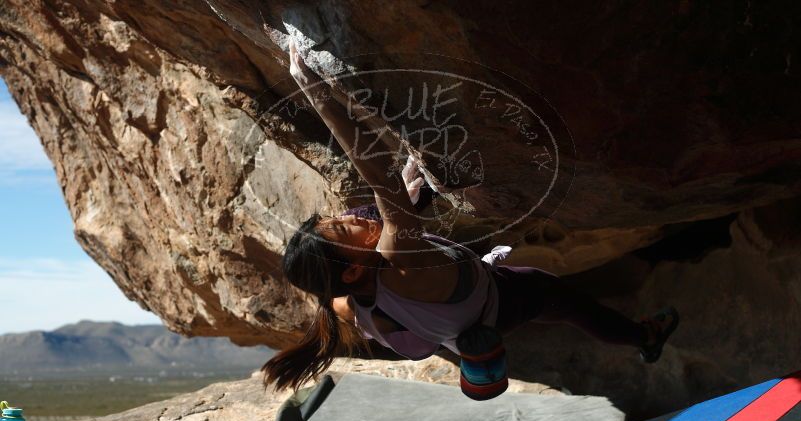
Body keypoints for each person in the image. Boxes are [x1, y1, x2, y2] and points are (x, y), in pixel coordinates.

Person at [261, 39, 679, 392]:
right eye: (341, 228)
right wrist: (318, 96)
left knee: (395, 209)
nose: (347, 218)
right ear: (351, 269)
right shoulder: (397, 260)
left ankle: (473, 349)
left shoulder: (343, 301)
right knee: (569, 304)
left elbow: (385, 210)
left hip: (453, 316)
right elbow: (376, 175)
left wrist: (408, 185)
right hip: (501, 301)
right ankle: (645, 337)